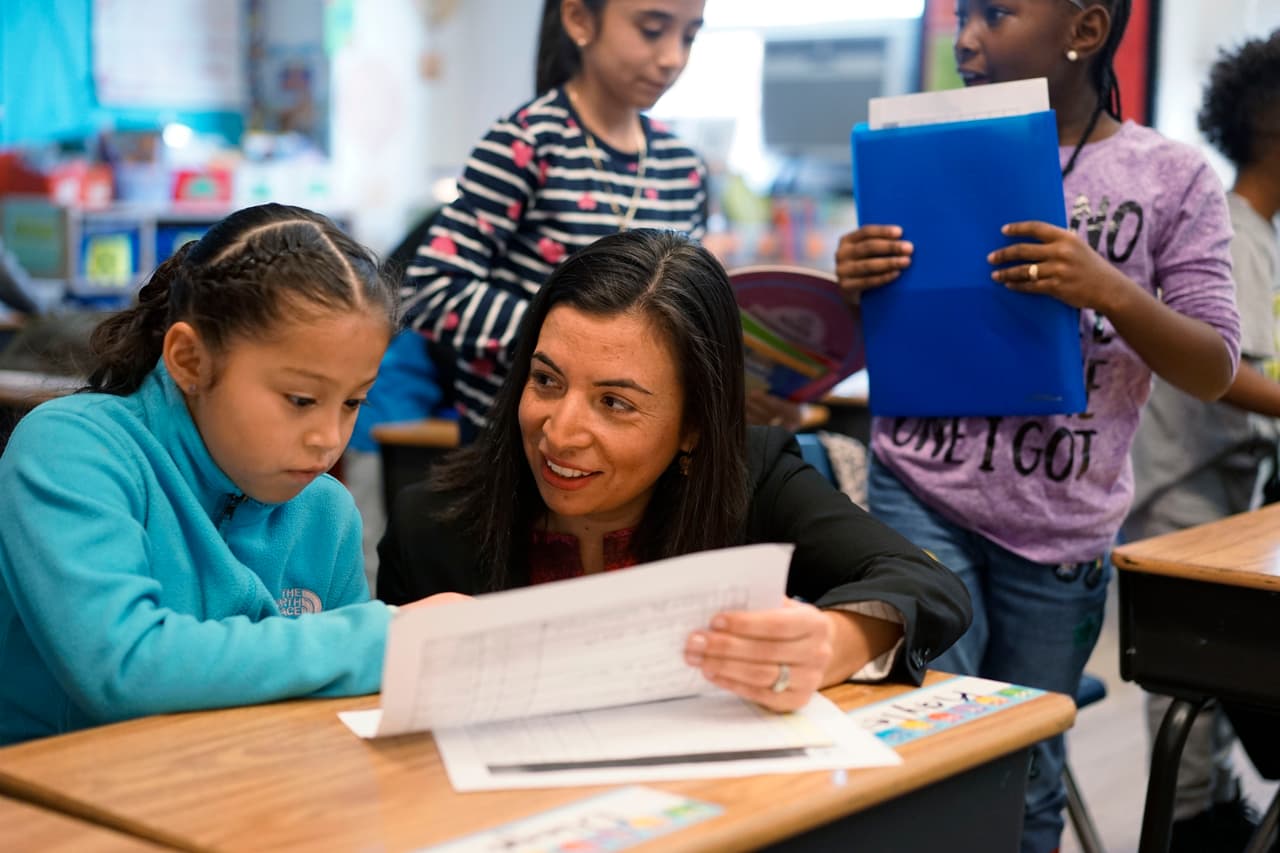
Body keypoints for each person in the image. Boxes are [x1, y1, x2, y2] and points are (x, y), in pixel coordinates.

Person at [833, 2, 1241, 851]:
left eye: (997, 13)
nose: (967, 36)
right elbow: (888, 329)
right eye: (963, 13)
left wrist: (1111, 289)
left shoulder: (1173, 179)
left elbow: (1213, 366)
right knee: (931, 740)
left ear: (1084, 32)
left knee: (1024, 766)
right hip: (919, 488)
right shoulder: (922, 146)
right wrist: (855, 278)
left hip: (1061, 530)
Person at [378, 229, 973, 711]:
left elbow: (927, 584)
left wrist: (835, 641)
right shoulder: (430, 524)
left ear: (694, 424)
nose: (560, 431)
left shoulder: (753, 477)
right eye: (546, 381)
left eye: (615, 403)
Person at [0, 203, 456, 746]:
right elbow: (124, 667)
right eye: (300, 399)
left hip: (235, 793)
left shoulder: (325, 510)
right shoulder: (72, 448)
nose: (329, 438)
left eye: (353, 401)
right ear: (191, 360)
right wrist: (392, 638)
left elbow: (342, 709)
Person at [399, 0, 710, 439]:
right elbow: (430, 289)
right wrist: (570, 344)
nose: (672, 57)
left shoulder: (685, 167)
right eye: (652, 29)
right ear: (580, 19)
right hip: (516, 443)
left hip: (634, 446)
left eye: (689, 36)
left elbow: (688, 311)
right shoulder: (526, 143)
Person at [1125, 31, 1280, 852]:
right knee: (1192, 669)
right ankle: (1188, 825)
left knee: (1217, 680)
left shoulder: (1263, 232)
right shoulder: (1236, 225)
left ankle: (1211, 805)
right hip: (1181, 487)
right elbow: (1231, 372)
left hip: (1222, 483)